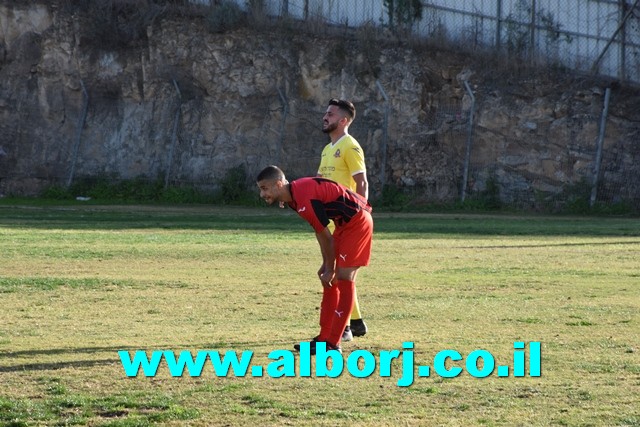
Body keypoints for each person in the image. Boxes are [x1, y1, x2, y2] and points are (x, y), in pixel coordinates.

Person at [256, 165, 373, 354]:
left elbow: (325, 235)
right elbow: (321, 232)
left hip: (358, 222)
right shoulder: (293, 197)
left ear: (278, 184)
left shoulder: (302, 198)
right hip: (344, 224)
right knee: (330, 280)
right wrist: (327, 264)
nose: (262, 194)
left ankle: (333, 344)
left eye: (264, 188)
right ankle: (324, 339)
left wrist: (330, 264)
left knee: (344, 278)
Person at [317, 98, 369, 341]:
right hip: (333, 220)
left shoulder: (350, 146)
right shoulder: (327, 149)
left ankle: (345, 327)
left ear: (344, 120)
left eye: (331, 114)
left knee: (339, 274)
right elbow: (319, 184)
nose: (325, 116)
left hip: (349, 219)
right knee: (338, 272)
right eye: (326, 113)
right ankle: (355, 323)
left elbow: (362, 182)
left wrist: (360, 211)